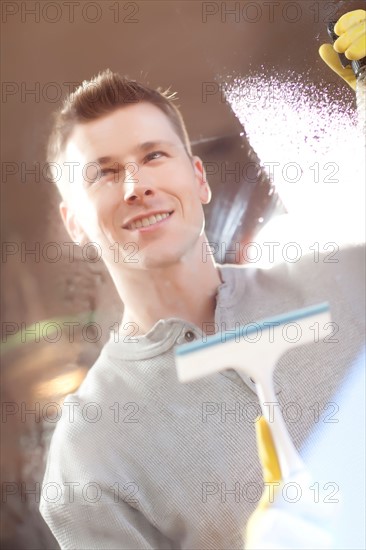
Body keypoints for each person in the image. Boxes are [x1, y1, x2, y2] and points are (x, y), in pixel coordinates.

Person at [40, 10, 365, 550]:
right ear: (74, 221)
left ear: (197, 178)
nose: (136, 186)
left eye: (154, 156)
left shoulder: (342, 284)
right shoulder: (90, 457)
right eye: (104, 172)